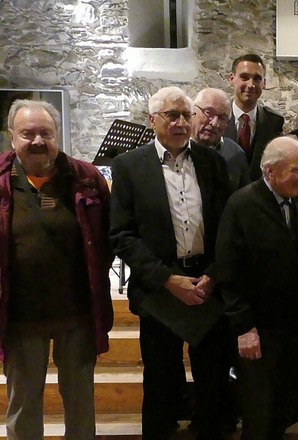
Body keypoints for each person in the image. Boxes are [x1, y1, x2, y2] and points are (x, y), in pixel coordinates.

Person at [109, 86, 232, 440]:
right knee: (161, 381)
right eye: (171, 115)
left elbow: (226, 226)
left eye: (186, 115)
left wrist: (212, 274)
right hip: (159, 289)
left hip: (207, 286)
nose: (181, 122)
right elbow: (121, 235)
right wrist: (167, 279)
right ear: (152, 121)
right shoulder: (129, 166)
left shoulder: (213, 163)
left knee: (213, 380)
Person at [0, 99, 113, 439]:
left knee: (80, 405)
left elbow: (108, 237)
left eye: (45, 133)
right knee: (23, 405)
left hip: (77, 314)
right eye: (27, 133)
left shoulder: (86, 178)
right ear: (11, 136)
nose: (37, 141)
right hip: (20, 316)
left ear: (58, 135)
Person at [215, 136, 298, 440]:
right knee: (259, 413)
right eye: (295, 170)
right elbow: (229, 270)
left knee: (283, 409)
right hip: (257, 329)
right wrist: (244, 327)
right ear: (271, 171)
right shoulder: (242, 204)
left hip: (292, 327)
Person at [223, 53, 285, 181]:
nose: (251, 85)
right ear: (231, 79)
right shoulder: (218, 118)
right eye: (244, 77)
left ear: (264, 83)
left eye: (257, 79)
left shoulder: (274, 121)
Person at [192, 87, 250, 191]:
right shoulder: (176, 150)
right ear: (193, 111)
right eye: (208, 113)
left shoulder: (235, 153)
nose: (214, 123)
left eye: (222, 118)